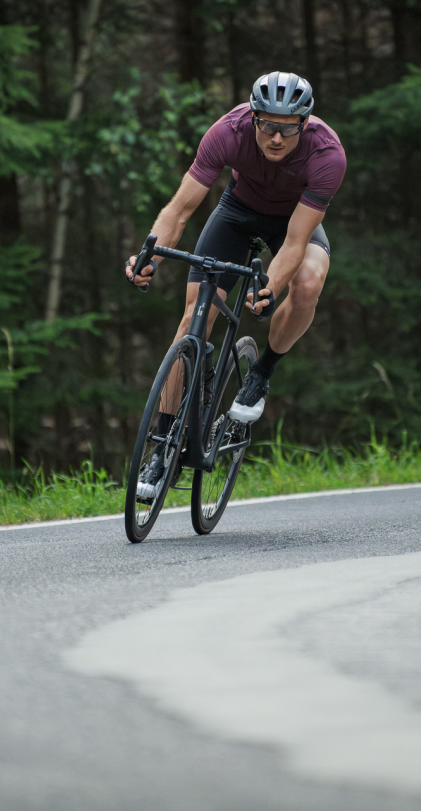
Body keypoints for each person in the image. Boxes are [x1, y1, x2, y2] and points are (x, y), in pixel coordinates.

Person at [124, 71, 346, 496]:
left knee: (309, 283)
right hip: (237, 213)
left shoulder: (327, 154)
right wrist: (147, 255)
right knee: (193, 318)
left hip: (291, 223)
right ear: (253, 117)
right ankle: (162, 446)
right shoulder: (228, 131)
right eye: (266, 125)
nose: (275, 137)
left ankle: (261, 372)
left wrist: (270, 288)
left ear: (304, 123)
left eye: (286, 128)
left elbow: (297, 241)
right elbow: (179, 209)